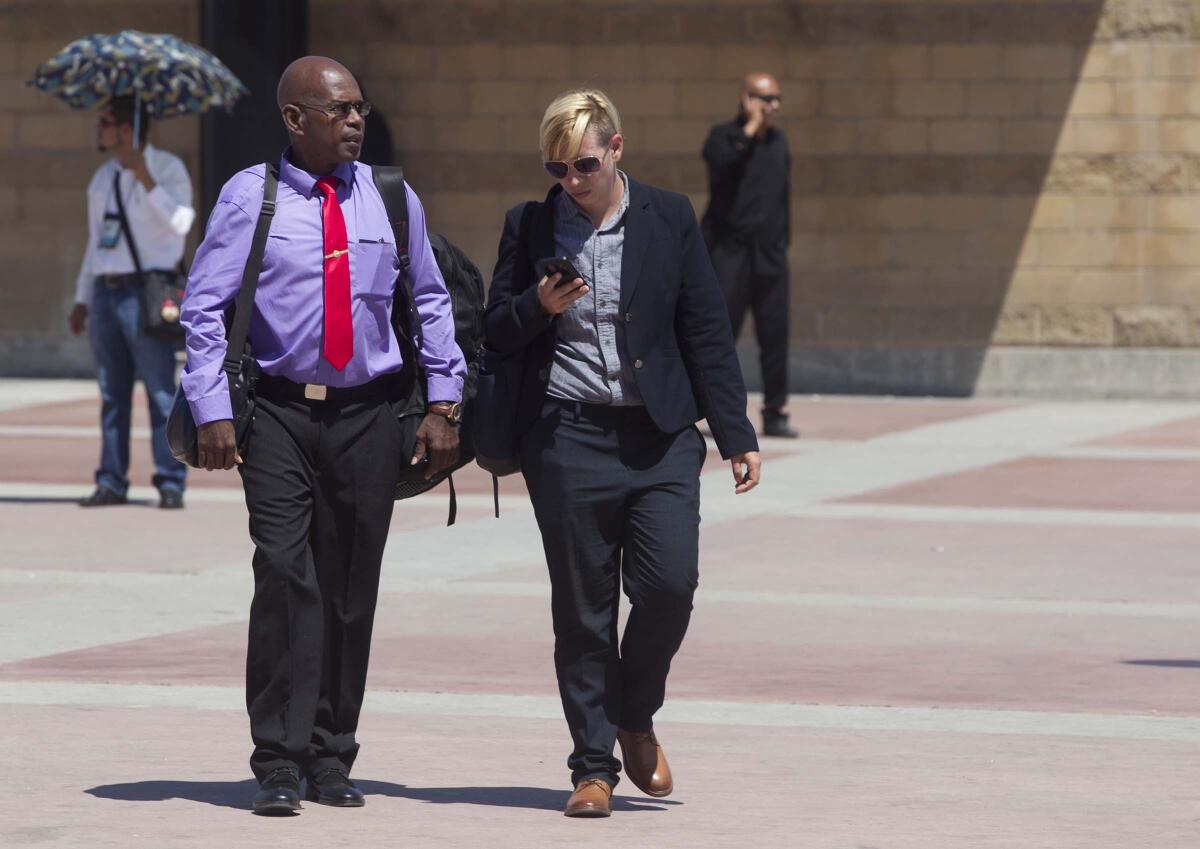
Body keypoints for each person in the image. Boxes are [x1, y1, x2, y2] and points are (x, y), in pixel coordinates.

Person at [179, 56, 465, 815]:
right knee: (282, 570)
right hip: (276, 413)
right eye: (338, 111)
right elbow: (204, 307)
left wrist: (445, 403)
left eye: (360, 109)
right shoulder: (251, 197)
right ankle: (277, 756)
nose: (355, 121)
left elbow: (430, 300)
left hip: (369, 414)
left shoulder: (392, 197)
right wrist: (209, 405)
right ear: (294, 118)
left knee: (347, 586)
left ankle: (331, 753)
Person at [485, 89, 762, 818]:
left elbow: (705, 328)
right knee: (583, 610)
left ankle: (636, 713)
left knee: (670, 585)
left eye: (583, 163)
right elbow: (493, 329)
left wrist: (736, 432)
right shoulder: (531, 223)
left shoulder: (668, 217)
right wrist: (535, 306)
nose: (571, 179)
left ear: (616, 149)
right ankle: (592, 766)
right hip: (568, 438)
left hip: (660, 435)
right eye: (556, 165)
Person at [69, 95, 195, 508]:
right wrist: (82, 297)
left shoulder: (166, 168)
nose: (98, 129)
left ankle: (171, 480)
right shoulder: (102, 178)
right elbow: (96, 241)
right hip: (107, 291)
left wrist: (146, 179)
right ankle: (111, 479)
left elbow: (180, 225)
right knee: (111, 393)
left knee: (160, 390)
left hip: (147, 291)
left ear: (127, 128)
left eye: (104, 121)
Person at [701, 72, 798, 439]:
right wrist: (750, 129)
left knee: (775, 334)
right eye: (764, 98)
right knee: (720, 334)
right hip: (730, 253)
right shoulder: (723, 138)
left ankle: (775, 412)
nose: (773, 106)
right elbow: (720, 169)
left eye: (776, 99)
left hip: (770, 255)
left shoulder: (779, 142)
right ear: (745, 99)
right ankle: (713, 410)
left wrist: (782, 241)